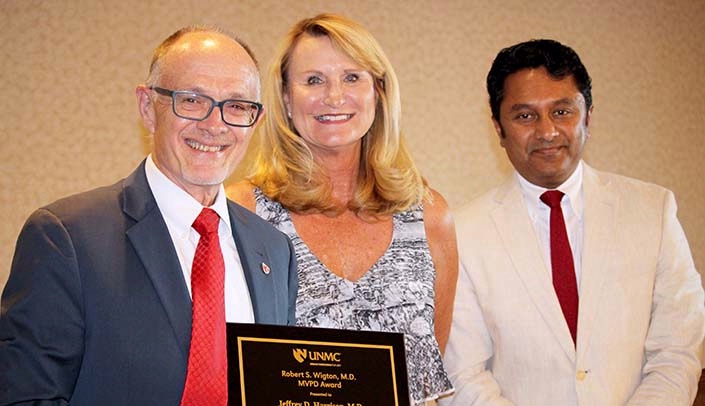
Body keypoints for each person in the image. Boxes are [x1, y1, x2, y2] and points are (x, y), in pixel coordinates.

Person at [0, 26, 298, 405]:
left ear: (255, 120)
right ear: (147, 106)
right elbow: (26, 397)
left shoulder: (274, 250)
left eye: (237, 106)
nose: (215, 124)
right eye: (192, 100)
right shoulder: (66, 238)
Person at [440, 39, 705, 405]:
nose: (547, 132)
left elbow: (677, 351)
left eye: (562, 112)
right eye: (524, 116)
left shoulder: (653, 211)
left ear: (588, 117)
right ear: (498, 129)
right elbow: (464, 374)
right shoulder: (462, 233)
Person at [227, 13, 457, 405]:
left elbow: (428, 367)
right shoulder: (241, 212)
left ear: (378, 92)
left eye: (352, 77)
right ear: (285, 96)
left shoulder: (430, 215)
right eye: (313, 80)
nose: (334, 97)